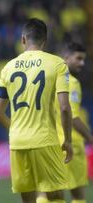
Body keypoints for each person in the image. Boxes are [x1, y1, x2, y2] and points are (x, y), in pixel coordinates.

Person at [0, 18, 73, 203]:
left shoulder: (8, 68)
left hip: (18, 141)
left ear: (23, 40)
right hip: (45, 139)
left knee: (27, 197)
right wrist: (67, 140)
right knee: (56, 195)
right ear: (45, 40)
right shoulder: (57, 64)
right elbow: (64, 107)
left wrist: (14, 129)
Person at [37, 42, 93, 203]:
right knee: (77, 194)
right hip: (70, 143)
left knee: (46, 192)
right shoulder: (71, 83)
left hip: (47, 142)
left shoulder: (48, 79)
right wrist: (90, 138)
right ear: (66, 58)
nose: (82, 63)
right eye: (78, 58)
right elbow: (72, 116)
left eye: (84, 59)